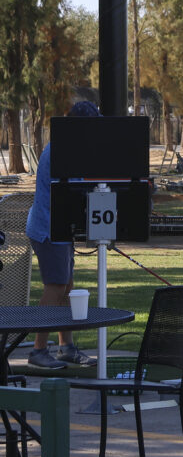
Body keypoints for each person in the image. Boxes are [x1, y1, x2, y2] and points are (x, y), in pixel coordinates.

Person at [25, 100, 99, 370]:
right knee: (55, 287)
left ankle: (66, 347)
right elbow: (72, 189)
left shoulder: (69, 148)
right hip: (48, 228)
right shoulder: (61, 151)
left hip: (59, 227)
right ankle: (38, 350)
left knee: (67, 287)